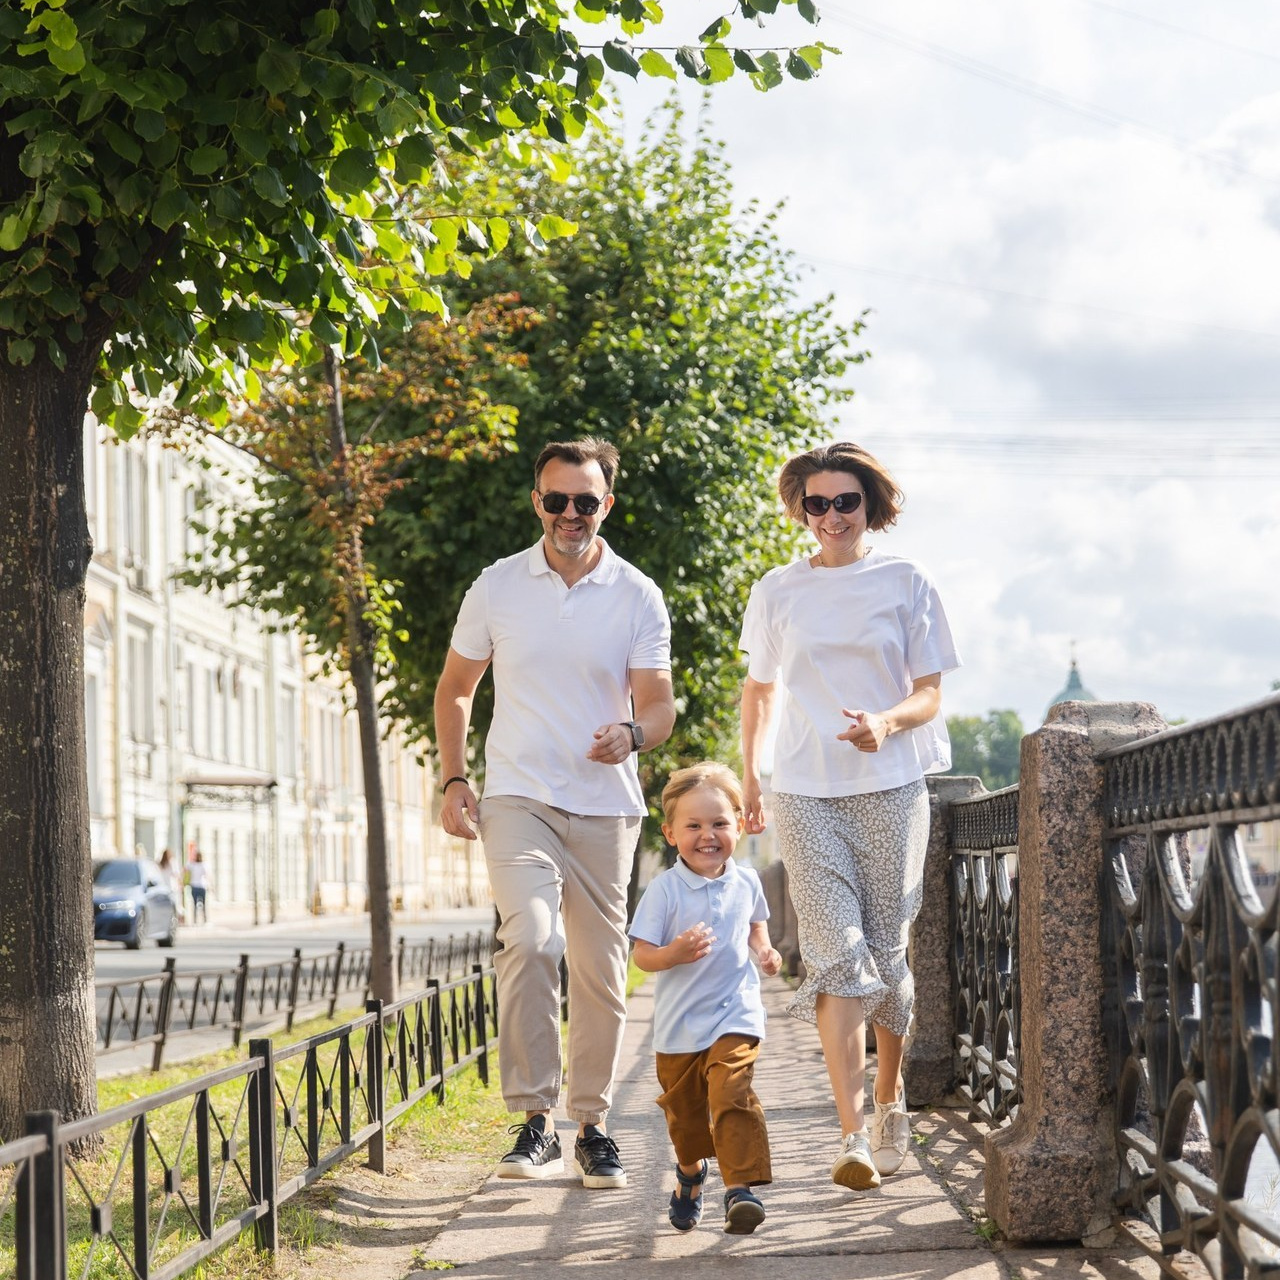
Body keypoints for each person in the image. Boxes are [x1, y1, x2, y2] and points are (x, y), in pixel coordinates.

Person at [433, 436, 676, 1190]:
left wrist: (633, 734)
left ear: (608, 504)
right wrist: (453, 777)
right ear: (536, 501)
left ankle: (593, 1126)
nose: (571, 514)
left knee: (601, 969)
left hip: (606, 808)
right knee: (531, 943)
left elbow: (661, 705)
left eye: (586, 501)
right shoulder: (497, 586)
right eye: (557, 499)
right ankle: (533, 1122)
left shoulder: (637, 593)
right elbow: (456, 689)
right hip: (516, 797)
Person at [738, 441, 961, 1192]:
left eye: (846, 502)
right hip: (804, 789)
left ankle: (891, 1102)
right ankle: (851, 1132)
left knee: (888, 955)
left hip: (893, 782)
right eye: (817, 503)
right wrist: (751, 776)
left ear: (872, 506)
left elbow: (930, 692)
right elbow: (760, 689)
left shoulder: (906, 580)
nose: (831, 516)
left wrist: (889, 723)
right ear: (799, 509)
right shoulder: (776, 589)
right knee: (837, 954)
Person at [630, 763, 782, 1235]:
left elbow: (756, 923)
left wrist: (764, 949)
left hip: (735, 1011)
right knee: (687, 1122)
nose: (707, 835)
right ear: (671, 833)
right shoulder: (664, 889)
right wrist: (672, 953)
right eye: (693, 825)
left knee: (731, 1092)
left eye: (719, 823)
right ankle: (691, 1175)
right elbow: (642, 956)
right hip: (679, 1028)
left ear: (740, 824)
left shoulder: (748, 881)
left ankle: (740, 1190)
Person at [158, 848, 185, 924]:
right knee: (175, 904)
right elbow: (176, 874)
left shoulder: (160, 863)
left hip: (162, 887)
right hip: (171, 887)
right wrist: (180, 883)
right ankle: (175, 920)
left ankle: (166, 920)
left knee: (165, 905)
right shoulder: (172, 862)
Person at [186, 844, 211, 924]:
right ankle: (205, 920)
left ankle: (194, 921)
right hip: (202, 886)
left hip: (194, 886)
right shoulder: (204, 865)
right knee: (204, 904)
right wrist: (210, 885)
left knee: (194, 904)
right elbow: (207, 875)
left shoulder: (191, 864)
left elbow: (185, 870)